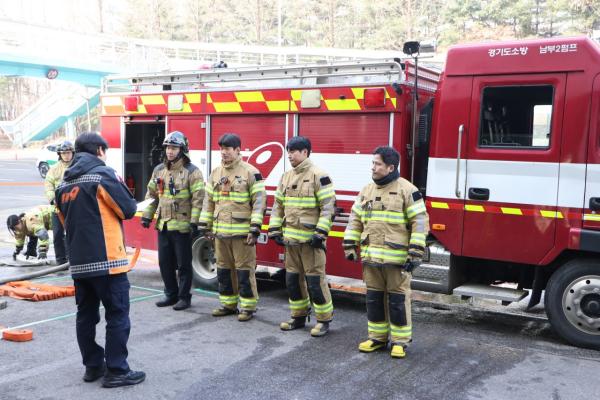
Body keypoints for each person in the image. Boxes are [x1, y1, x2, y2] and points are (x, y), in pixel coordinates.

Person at [55, 132, 145, 388]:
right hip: (108, 262)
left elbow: (63, 221)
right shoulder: (102, 175)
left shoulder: (63, 184)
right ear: (99, 151)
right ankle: (117, 370)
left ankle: (93, 366)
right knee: (117, 314)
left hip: (80, 264)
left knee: (85, 315)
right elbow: (127, 209)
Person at [343, 146, 429, 359]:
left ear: (391, 167)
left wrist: (415, 253)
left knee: (398, 301)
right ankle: (377, 338)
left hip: (397, 260)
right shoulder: (366, 190)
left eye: (377, 164)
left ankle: (399, 341)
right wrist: (349, 244)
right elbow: (355, 219)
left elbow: (419, 223)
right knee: (373, 299)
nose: (373, 167)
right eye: (372, 163)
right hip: (371, 259)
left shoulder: (407, 190)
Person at [268, 136, 336, 337]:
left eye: (294, 151)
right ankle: (298, 316)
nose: (289, 155)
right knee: (292, 281)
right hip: (291, 242)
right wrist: (274, 230)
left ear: (305, 152)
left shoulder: (319, 176)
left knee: (315, 282)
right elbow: (277, 206)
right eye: (288, 151)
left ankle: (324, 320)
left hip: (310, 243)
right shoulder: (286, 177)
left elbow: (328, 208)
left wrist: (320, 233)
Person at [198, 133, 266, 322]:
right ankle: (228, 304)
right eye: (221, 148)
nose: (223, 152)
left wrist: (254, 229)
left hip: (242, 233)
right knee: (223, 270)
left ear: (238, 150)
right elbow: (208, 201)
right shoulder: (216, 173)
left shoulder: (250, 173)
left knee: (244, 271)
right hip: (221, 233)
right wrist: (206, 226)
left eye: (228, 149)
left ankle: (248, 307)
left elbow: (259, 202)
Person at [141, 131, 205, 311]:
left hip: (183, 226)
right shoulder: (159, 170)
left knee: (184, 265)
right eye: (168, 147)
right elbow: (152, 195)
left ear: (182, 149)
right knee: (165, 263)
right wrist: (147, 216)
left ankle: (184, 297)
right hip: (164, 224)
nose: (170, 151)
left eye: (174, 147)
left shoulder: (192, 172)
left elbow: (198, 199)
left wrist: (195, 223)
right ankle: (170, 294)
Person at [44, 140, 74, 265]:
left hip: (73, 206)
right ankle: (61, 261)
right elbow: (48, 185)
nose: (66, 155)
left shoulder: (78, 166)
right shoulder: (54, 169)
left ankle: (73, 259)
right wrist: (52, 198)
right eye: (64, 153)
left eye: (68, 152)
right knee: (57, 234)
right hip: (57, 207)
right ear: (60, 154)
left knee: (73, 233)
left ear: (73, 153)